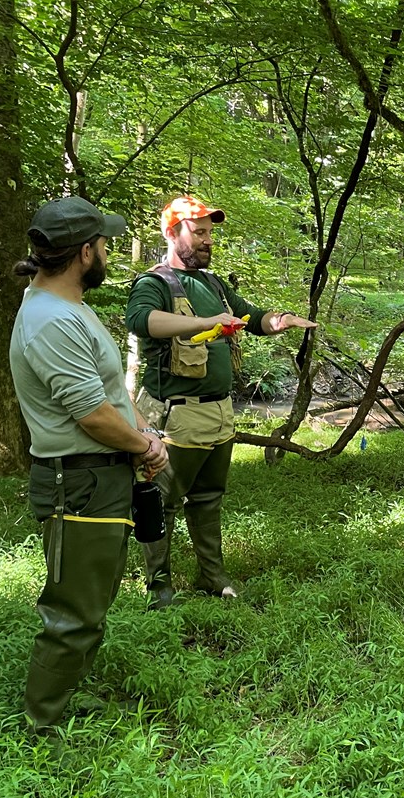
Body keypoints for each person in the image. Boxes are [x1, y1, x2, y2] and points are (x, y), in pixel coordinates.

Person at [10, 196, 170, 736]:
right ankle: (42, 725)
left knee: (91, 599)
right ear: (84, 252)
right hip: (78, 480)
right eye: (103, 244)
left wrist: (140, 434)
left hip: (96, 474)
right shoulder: (51, 321)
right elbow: (94, 416)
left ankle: (63, 698)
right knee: (73, 610)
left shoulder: (63, 306)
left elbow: (104, 401)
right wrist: (145, 447)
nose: (107, 252)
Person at [125, 195, 317, 607]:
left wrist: (277, 320)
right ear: (171, 233)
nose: (208, 240)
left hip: (220, 413)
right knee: (162, 500)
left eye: (210, 233)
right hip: (176, 418)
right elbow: (142, 321)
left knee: (209, 498)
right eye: (199, 232)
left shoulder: (214, 284)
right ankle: (159, 586)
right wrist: (204, 322)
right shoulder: (154, 283)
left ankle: (212, 576)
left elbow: (251, 316)